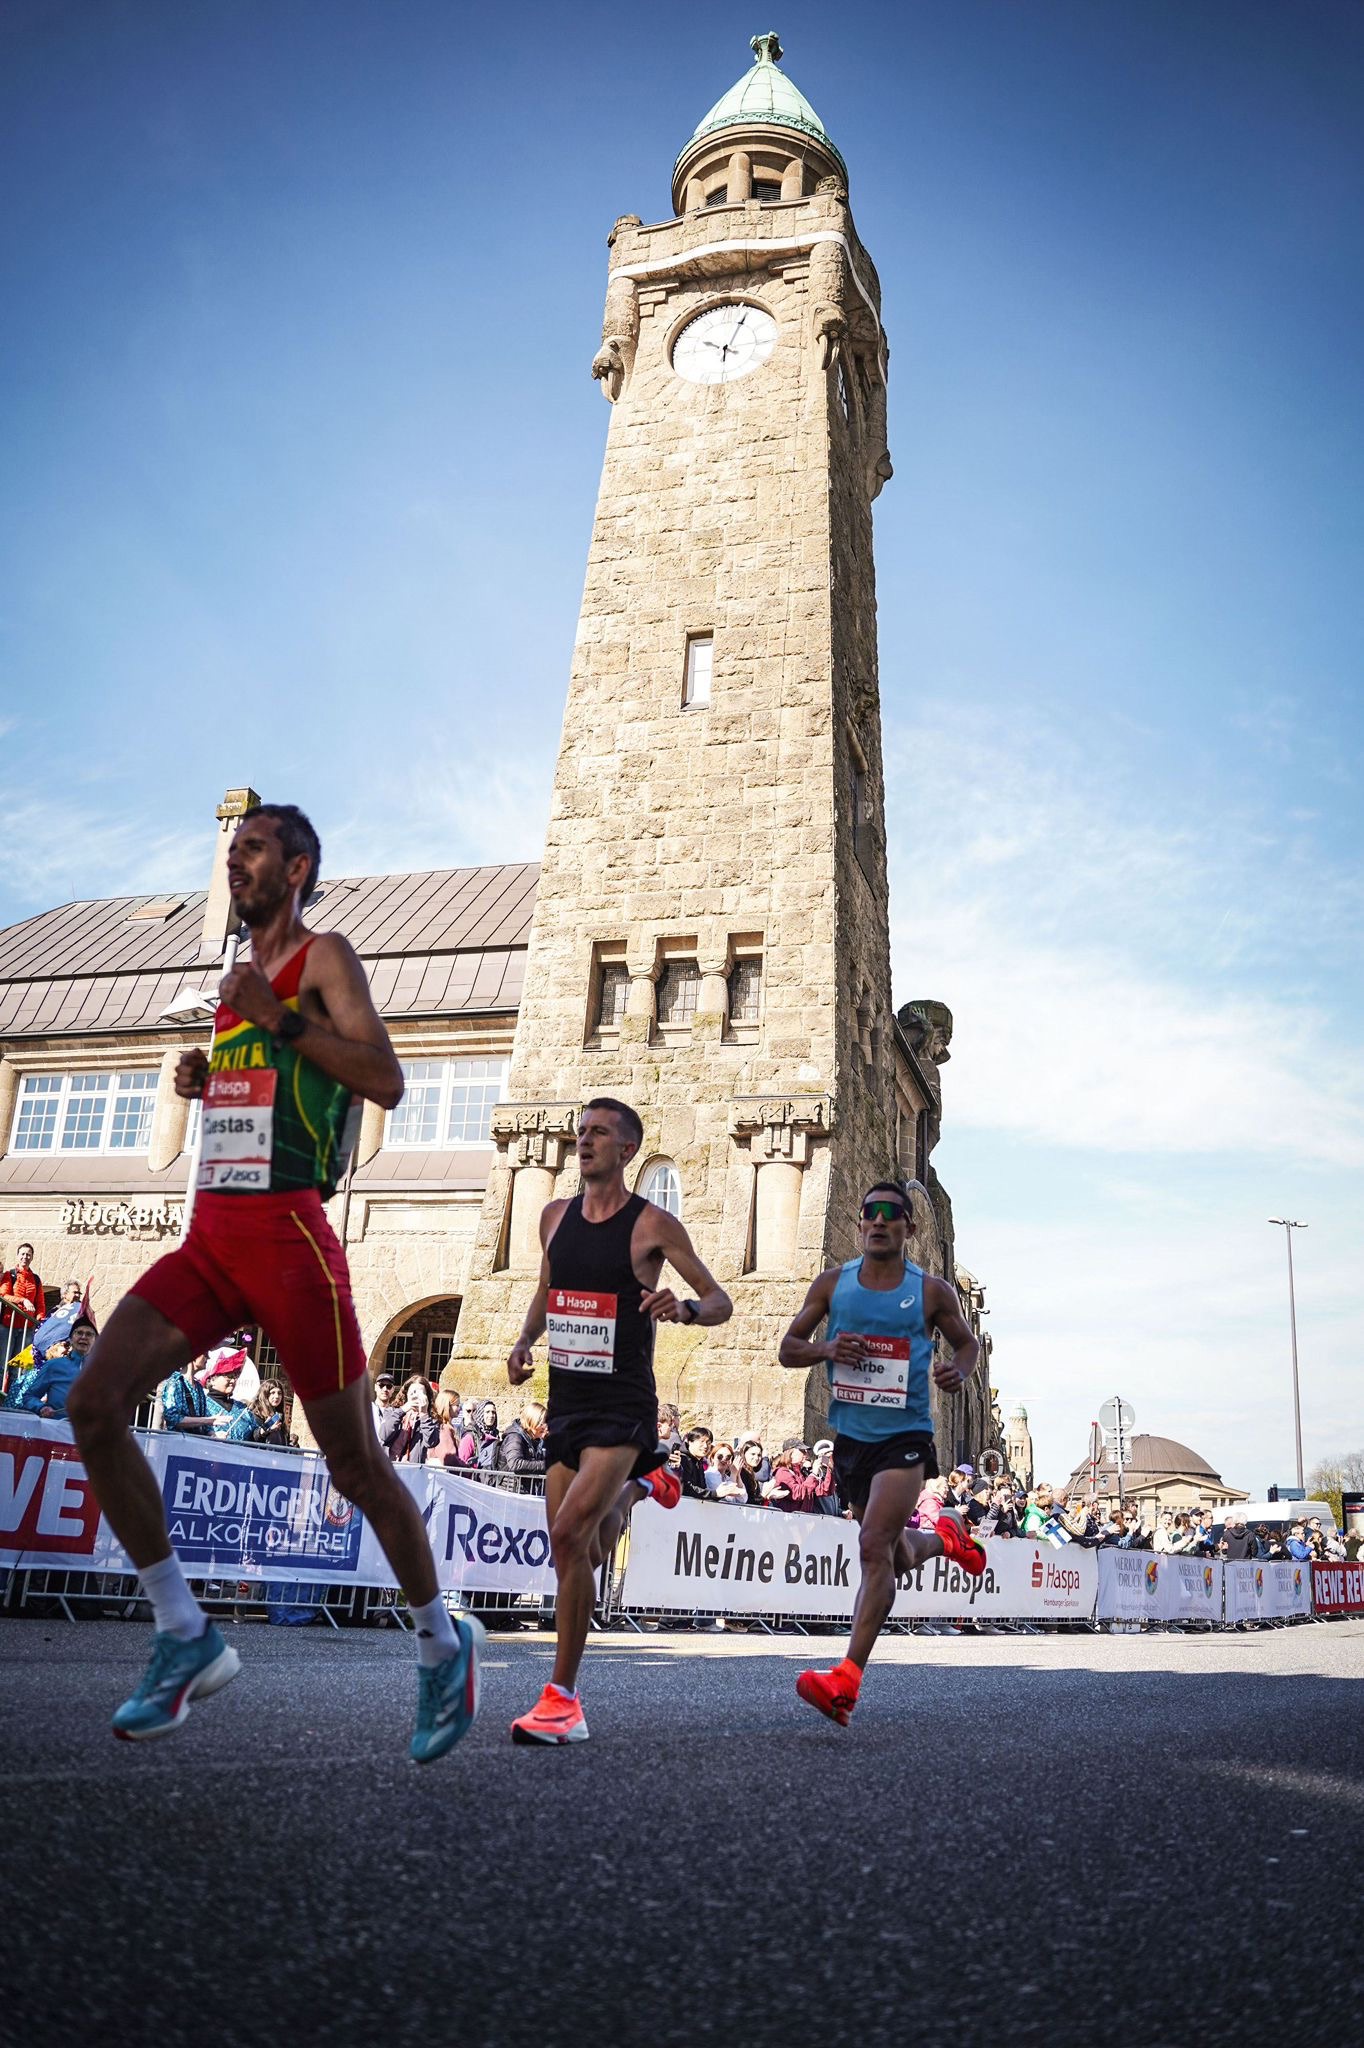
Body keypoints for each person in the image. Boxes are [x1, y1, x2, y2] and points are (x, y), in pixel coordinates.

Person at [66, 802, 481, 1761]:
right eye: (231, 850)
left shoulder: (322, 957)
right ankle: (183, 1632)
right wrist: (208, 1074)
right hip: (212, 1236)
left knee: (356, 1465)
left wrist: (282, 1020)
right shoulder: (235, 982)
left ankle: (438, 1643)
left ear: (295, 869)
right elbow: (268, 1084)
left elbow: (383, 1079)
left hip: (292, 1236)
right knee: (94, 1403)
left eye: (252, 850)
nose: (235, 862)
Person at [505, 1095, 732, 1743]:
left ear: (627, 1150)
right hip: (566, 1405)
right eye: (581, 1132)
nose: (584, 1142)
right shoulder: (553, 1216)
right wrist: (525, 1342)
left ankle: (562, 1699)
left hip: (622, 1406)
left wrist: (682, 1309)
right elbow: (547, 1290)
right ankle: (641, 1490)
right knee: (579, 1548)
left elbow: (719, 1301)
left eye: (599, 1133)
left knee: (572, 1536)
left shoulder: (651, 1225)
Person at [777, 1179, 986, 1726]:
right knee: (893, 1554)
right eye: (870, 1212)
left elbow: (966, 1344)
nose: (878, 1220)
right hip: (852, 1442)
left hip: (906, 1437)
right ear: (859, 1223)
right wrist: (825, 1347)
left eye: (891, 1214)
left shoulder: (932, 1291)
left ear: (909, 1229)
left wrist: (956, 1372)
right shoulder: (833, 1285)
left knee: (872, 1546)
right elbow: (787, 1348)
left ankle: (846, 1678)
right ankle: (944, 1539)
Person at [21, 1315, 97, 1418]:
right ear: (70, 1339)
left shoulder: (102, 1371)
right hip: (57, 1428)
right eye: (79, 1333)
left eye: (89, 1334)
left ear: (95, 1341)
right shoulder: (53, 1365)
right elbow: (29, 1397)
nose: (83, 1337)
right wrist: (41, 1407)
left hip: (89, 1431)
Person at [1, 1242, 44, 1378]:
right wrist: (22, 1300)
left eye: (28, 1255)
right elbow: (3, 1295)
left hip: (27, 1329)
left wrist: (39, 1320)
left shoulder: (36, 1279)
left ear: (32, 1258)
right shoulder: (10, 1275)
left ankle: (14, 1398)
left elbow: (40, 1304)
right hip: (8, 1326)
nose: (25, 1257)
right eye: (23, 1254)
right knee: (2, 1365)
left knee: (19, 1370)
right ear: (18, 1256)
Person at [388, 1377, 440, 1464]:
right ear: (406, 1393)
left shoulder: (430, 1419)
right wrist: (403, 1410)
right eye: (413, 1392)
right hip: (390, 1466)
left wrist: (424, 1414)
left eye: (420, 1393)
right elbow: (384, 1434)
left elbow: (431, 1442)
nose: (415, 1396)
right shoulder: (393, 1411)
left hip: (413, 1470)